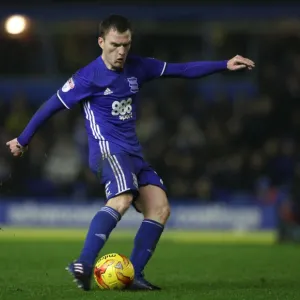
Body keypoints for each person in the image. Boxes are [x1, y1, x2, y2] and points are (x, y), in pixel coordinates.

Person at [6, 14, 255, 291]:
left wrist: (224, 64)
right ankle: (84, 263)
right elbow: (51, 106)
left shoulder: (138, 67)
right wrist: (23, 139)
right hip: (107, 151)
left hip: (133, 154)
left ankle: (134, 275)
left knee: (160, 209)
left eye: (126, 45)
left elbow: (182, 69)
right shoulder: (87, 77)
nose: (121, 51)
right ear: (101, 42)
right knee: (123, 198)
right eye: (115, 45)